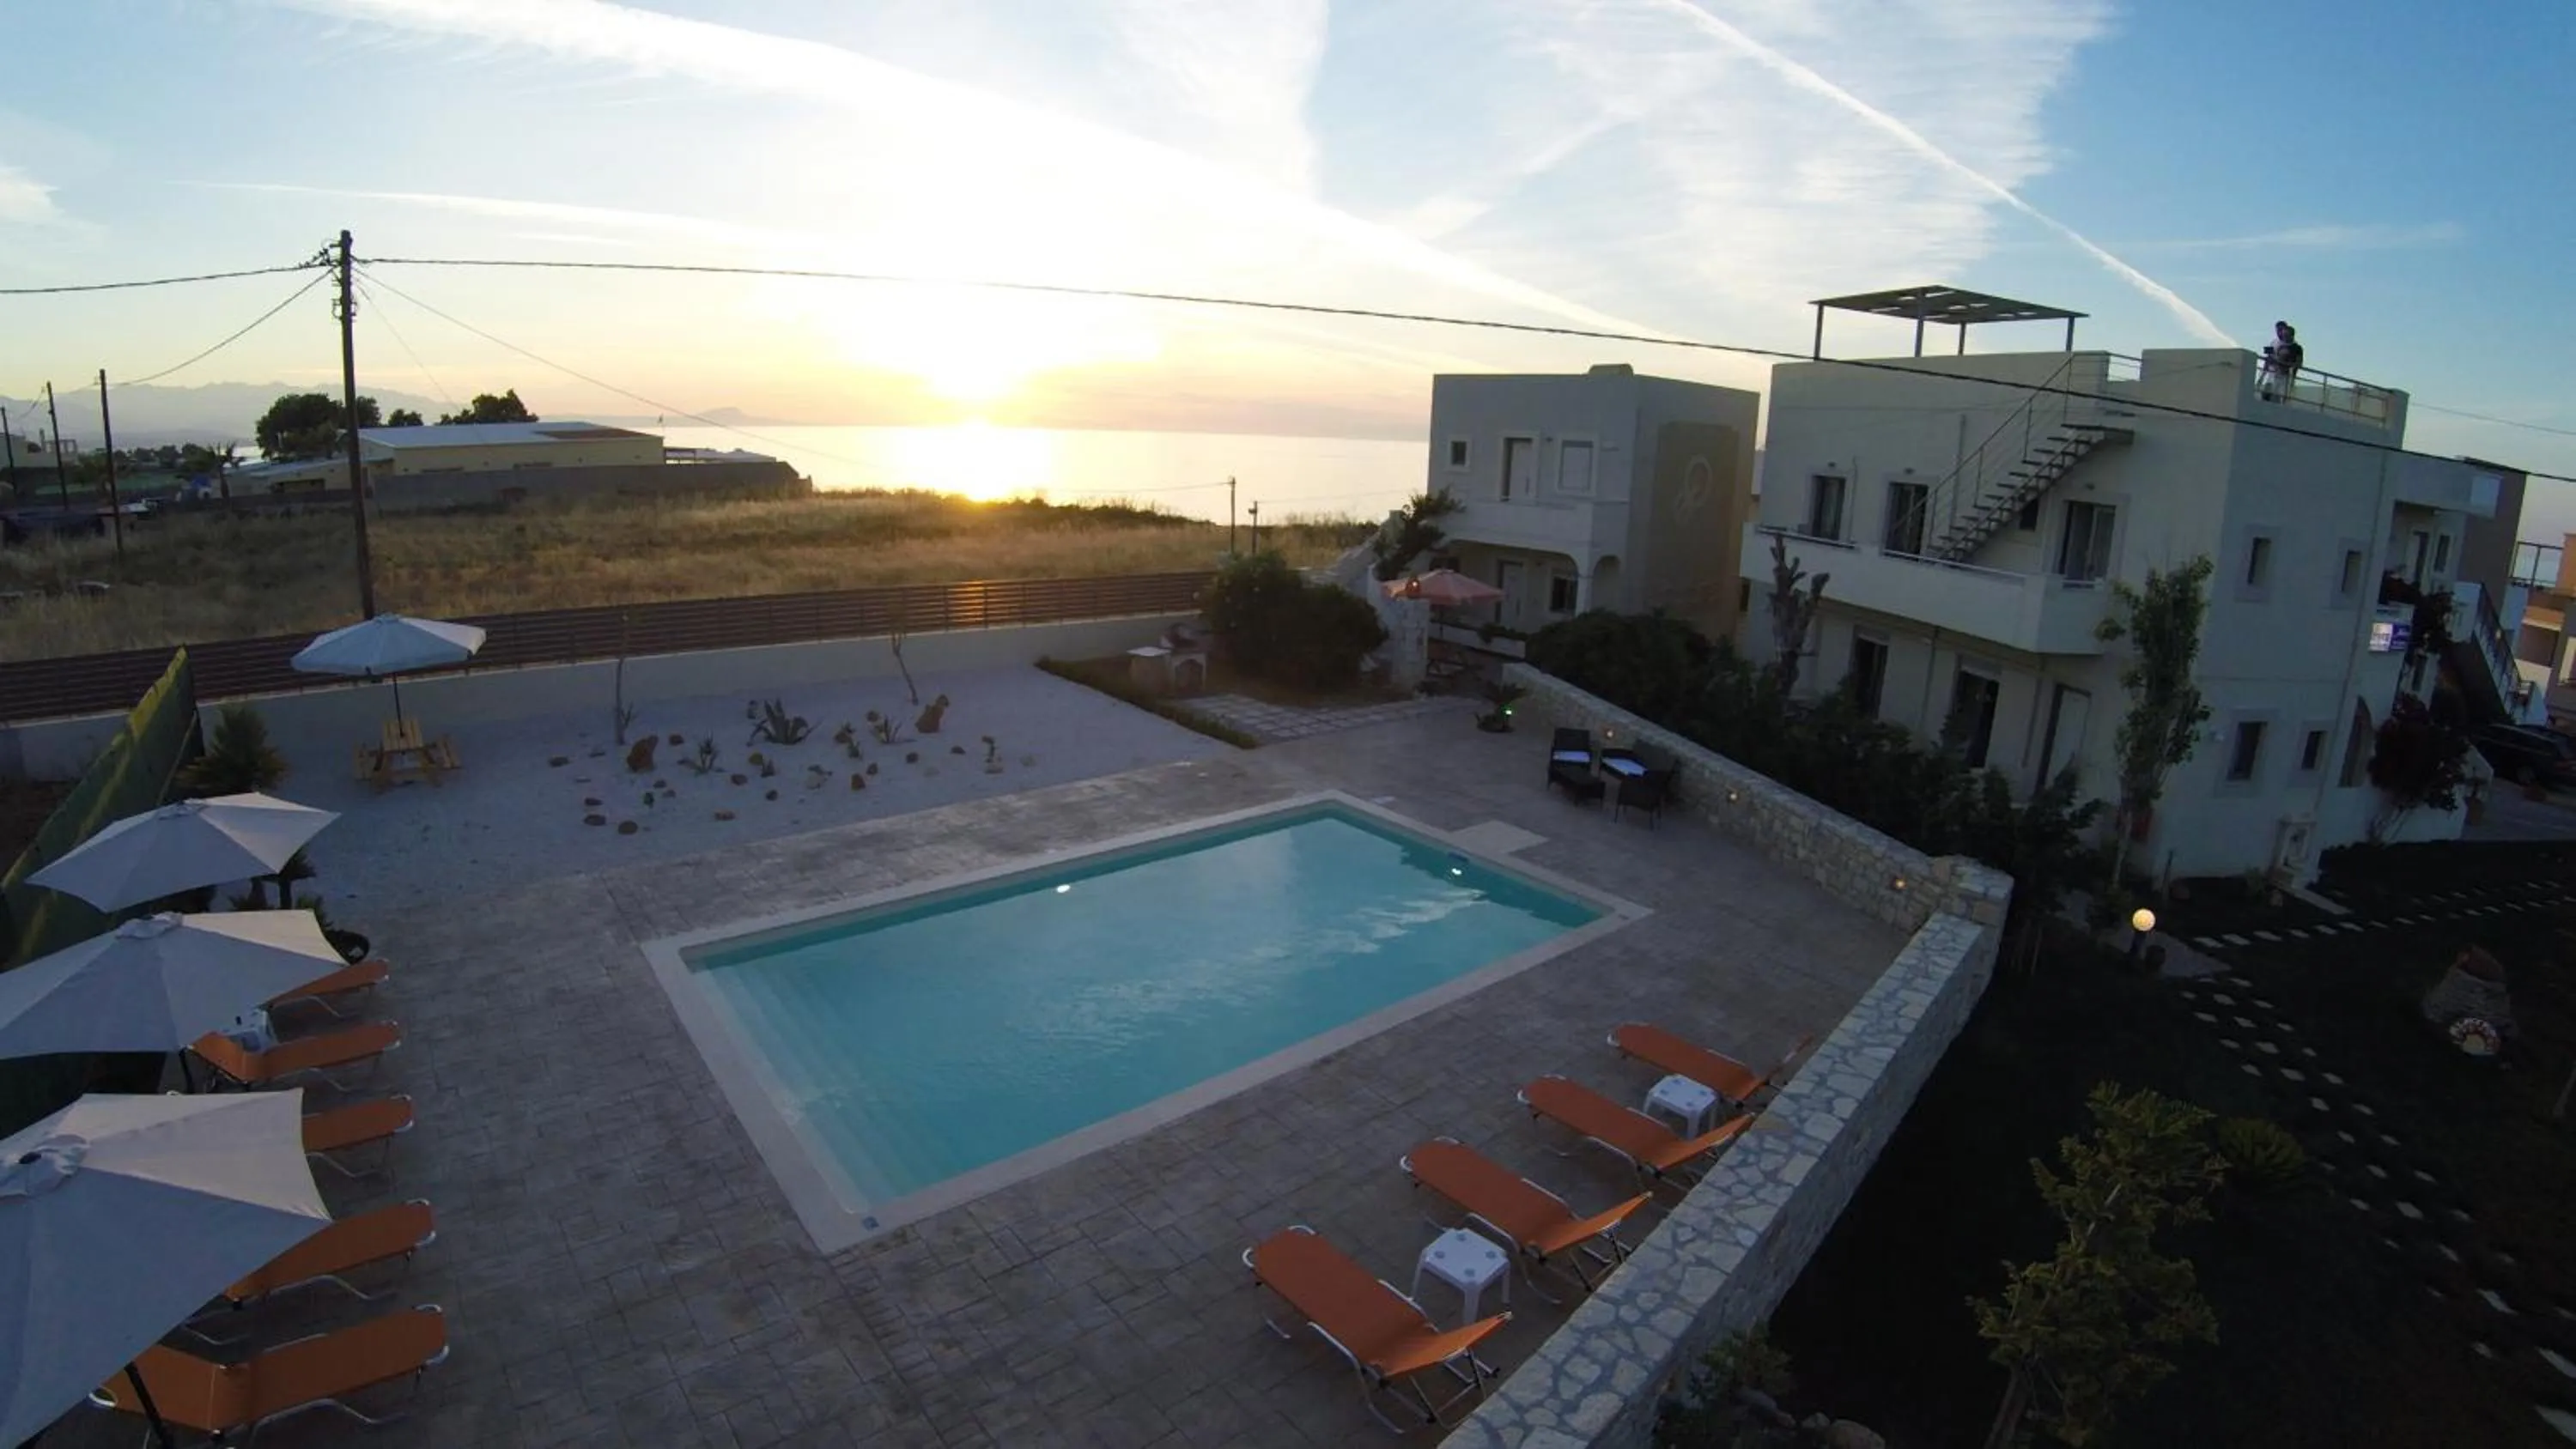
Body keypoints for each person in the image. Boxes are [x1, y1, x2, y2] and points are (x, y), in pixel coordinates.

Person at [2260, 320, 2305, 401]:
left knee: (2282, 398)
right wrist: (2262, 375)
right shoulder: (2275, 343)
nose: (2280, 334)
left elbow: (2299, 363)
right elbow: (2268, 359)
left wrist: (2285, 365)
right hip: (2273, 374)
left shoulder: (2297, 348)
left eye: (2282, 331)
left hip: (2287, 377)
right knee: (2267, 394)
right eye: (2278, 331)